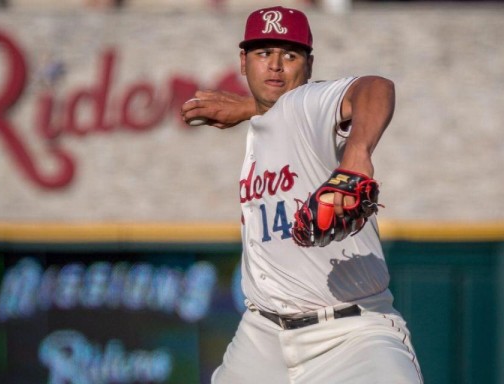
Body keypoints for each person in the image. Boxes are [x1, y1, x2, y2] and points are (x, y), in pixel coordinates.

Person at [181, 6, 422, 383]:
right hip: (263, 336)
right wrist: (250, 108)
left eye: (289, 55)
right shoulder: (268, 118)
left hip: (350, 334)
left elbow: (375, 87)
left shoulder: (305, 105)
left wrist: (356, 154)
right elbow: (275, 112)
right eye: (264, 54)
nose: (275, 66)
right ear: (243, 62)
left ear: (308, 66)